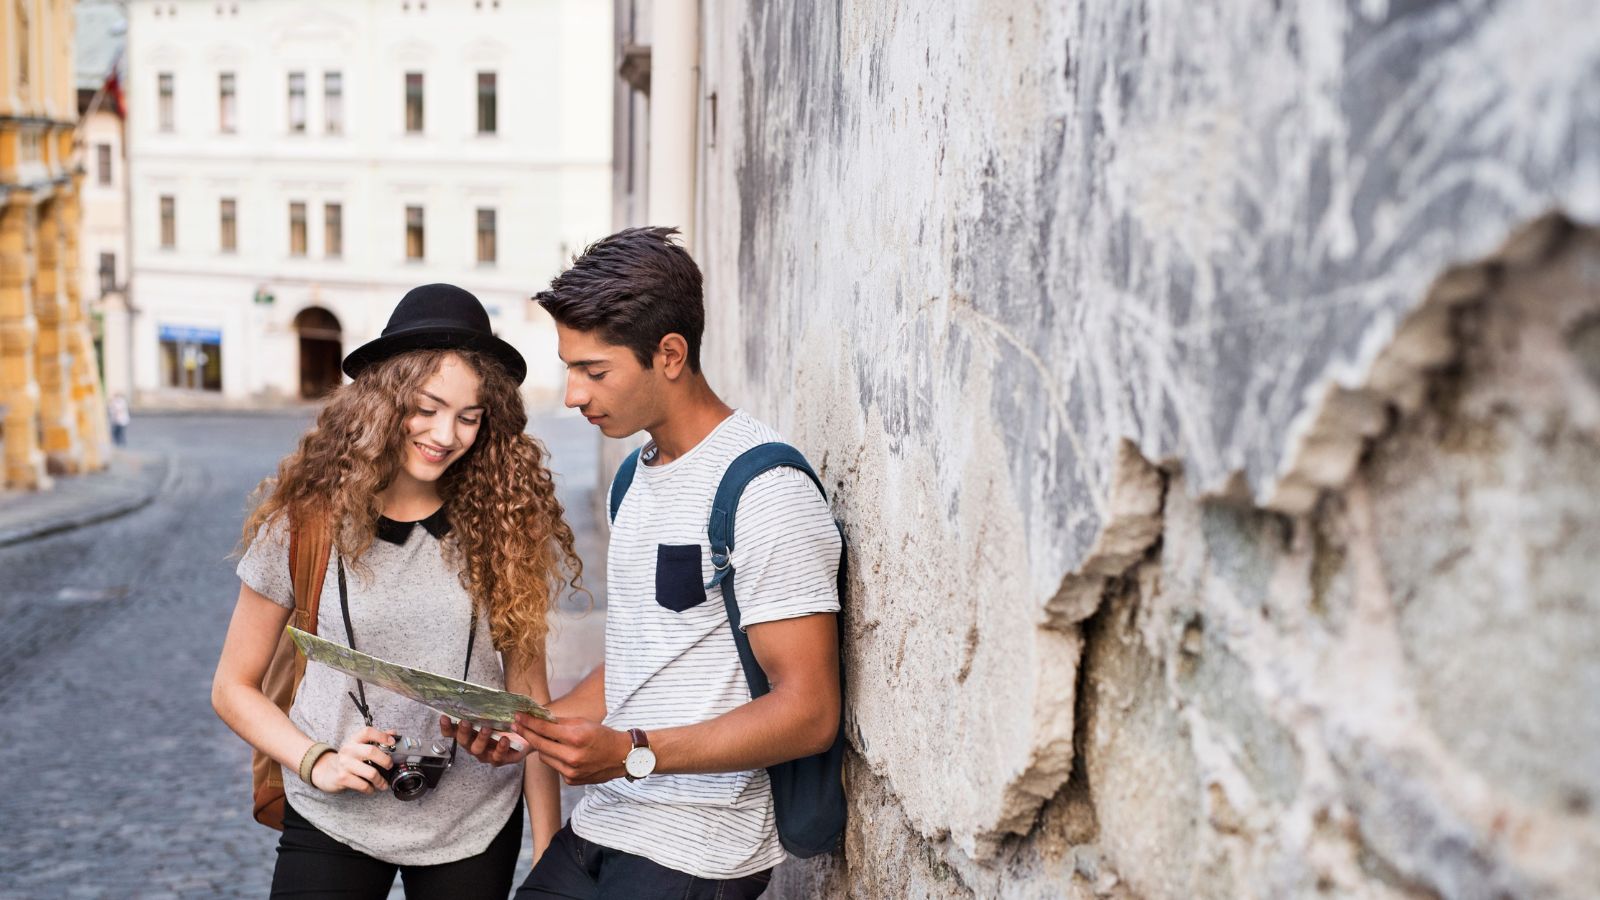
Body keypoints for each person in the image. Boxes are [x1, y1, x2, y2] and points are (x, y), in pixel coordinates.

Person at [447, 227, 843, 899]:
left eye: (594, 371)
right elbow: (646, 655)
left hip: (701, 852)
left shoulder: (764, 489)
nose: (573, 395)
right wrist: (530, 733)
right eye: (570, 368)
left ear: (669, 354)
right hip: (605, 826)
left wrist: (633, 751)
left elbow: (810, 711)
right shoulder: (635, 477)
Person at [212, 284, 583, 898]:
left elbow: (529, 701)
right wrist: (318, 761)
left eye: (469, 417)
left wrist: (547, 855)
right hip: (334, 813)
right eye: (426, 407)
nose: (446, 434)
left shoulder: (507, 526)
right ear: (383, 401)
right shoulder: (303, 524)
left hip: (474, 820)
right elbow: (232, 687)